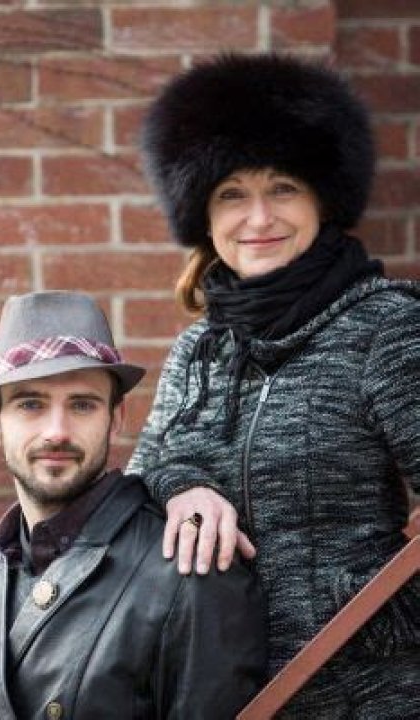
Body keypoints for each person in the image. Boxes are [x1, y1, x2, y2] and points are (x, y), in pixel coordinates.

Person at [128, 53, 420, 718]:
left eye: (282, 188)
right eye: (232, 194)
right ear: (203, 215)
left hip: (367, 698)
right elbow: (140, 487)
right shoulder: (198, 351)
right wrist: (183, 484)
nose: (259, 218)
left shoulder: (388, 327)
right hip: (219, 696)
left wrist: (379, 617)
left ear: (323, 199)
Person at [0, 290, 266, 719]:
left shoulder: (189, 569)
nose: (57, 431)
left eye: (82, 405)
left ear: (115, 420)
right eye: (31, 404)